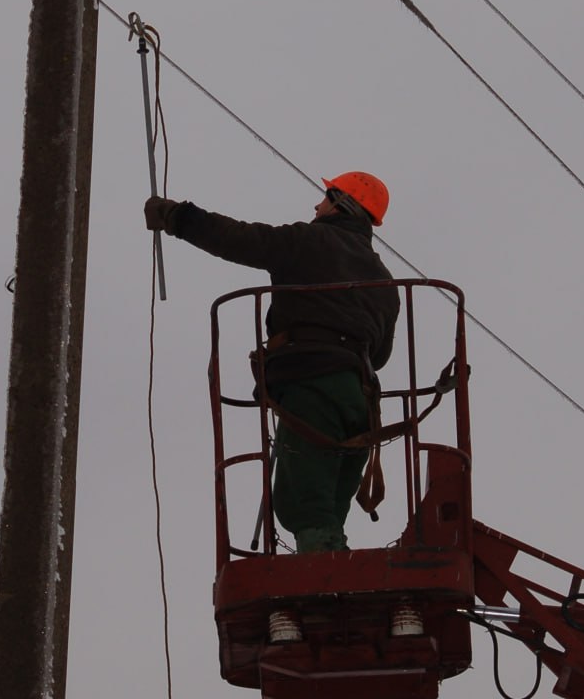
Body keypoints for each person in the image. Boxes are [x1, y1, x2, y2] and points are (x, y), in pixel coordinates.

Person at [144, 171, 400, 553]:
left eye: (325, 198)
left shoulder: (309, 241)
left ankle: (322, 580)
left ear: (341, 203)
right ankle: (336, 569)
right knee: (329, 505)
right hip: (360, 399)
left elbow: (240, 239)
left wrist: (177, 217)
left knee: (304, 504)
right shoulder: (384, 280)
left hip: (313, 386)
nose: (316, 206)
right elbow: (380, 354)